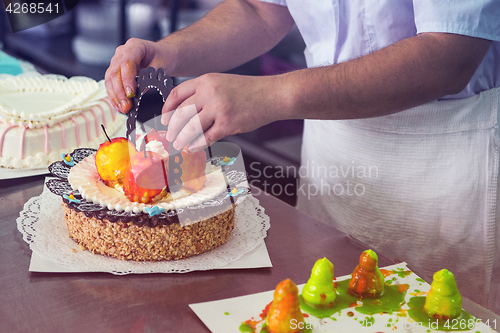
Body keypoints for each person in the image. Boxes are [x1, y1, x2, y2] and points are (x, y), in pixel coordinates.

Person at [105, 0, 500, 312]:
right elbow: (260, 9)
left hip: (444, 162)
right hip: (330, 155)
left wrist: (271, 95)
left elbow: (449, 53)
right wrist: (168, 51)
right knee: (324, 307)